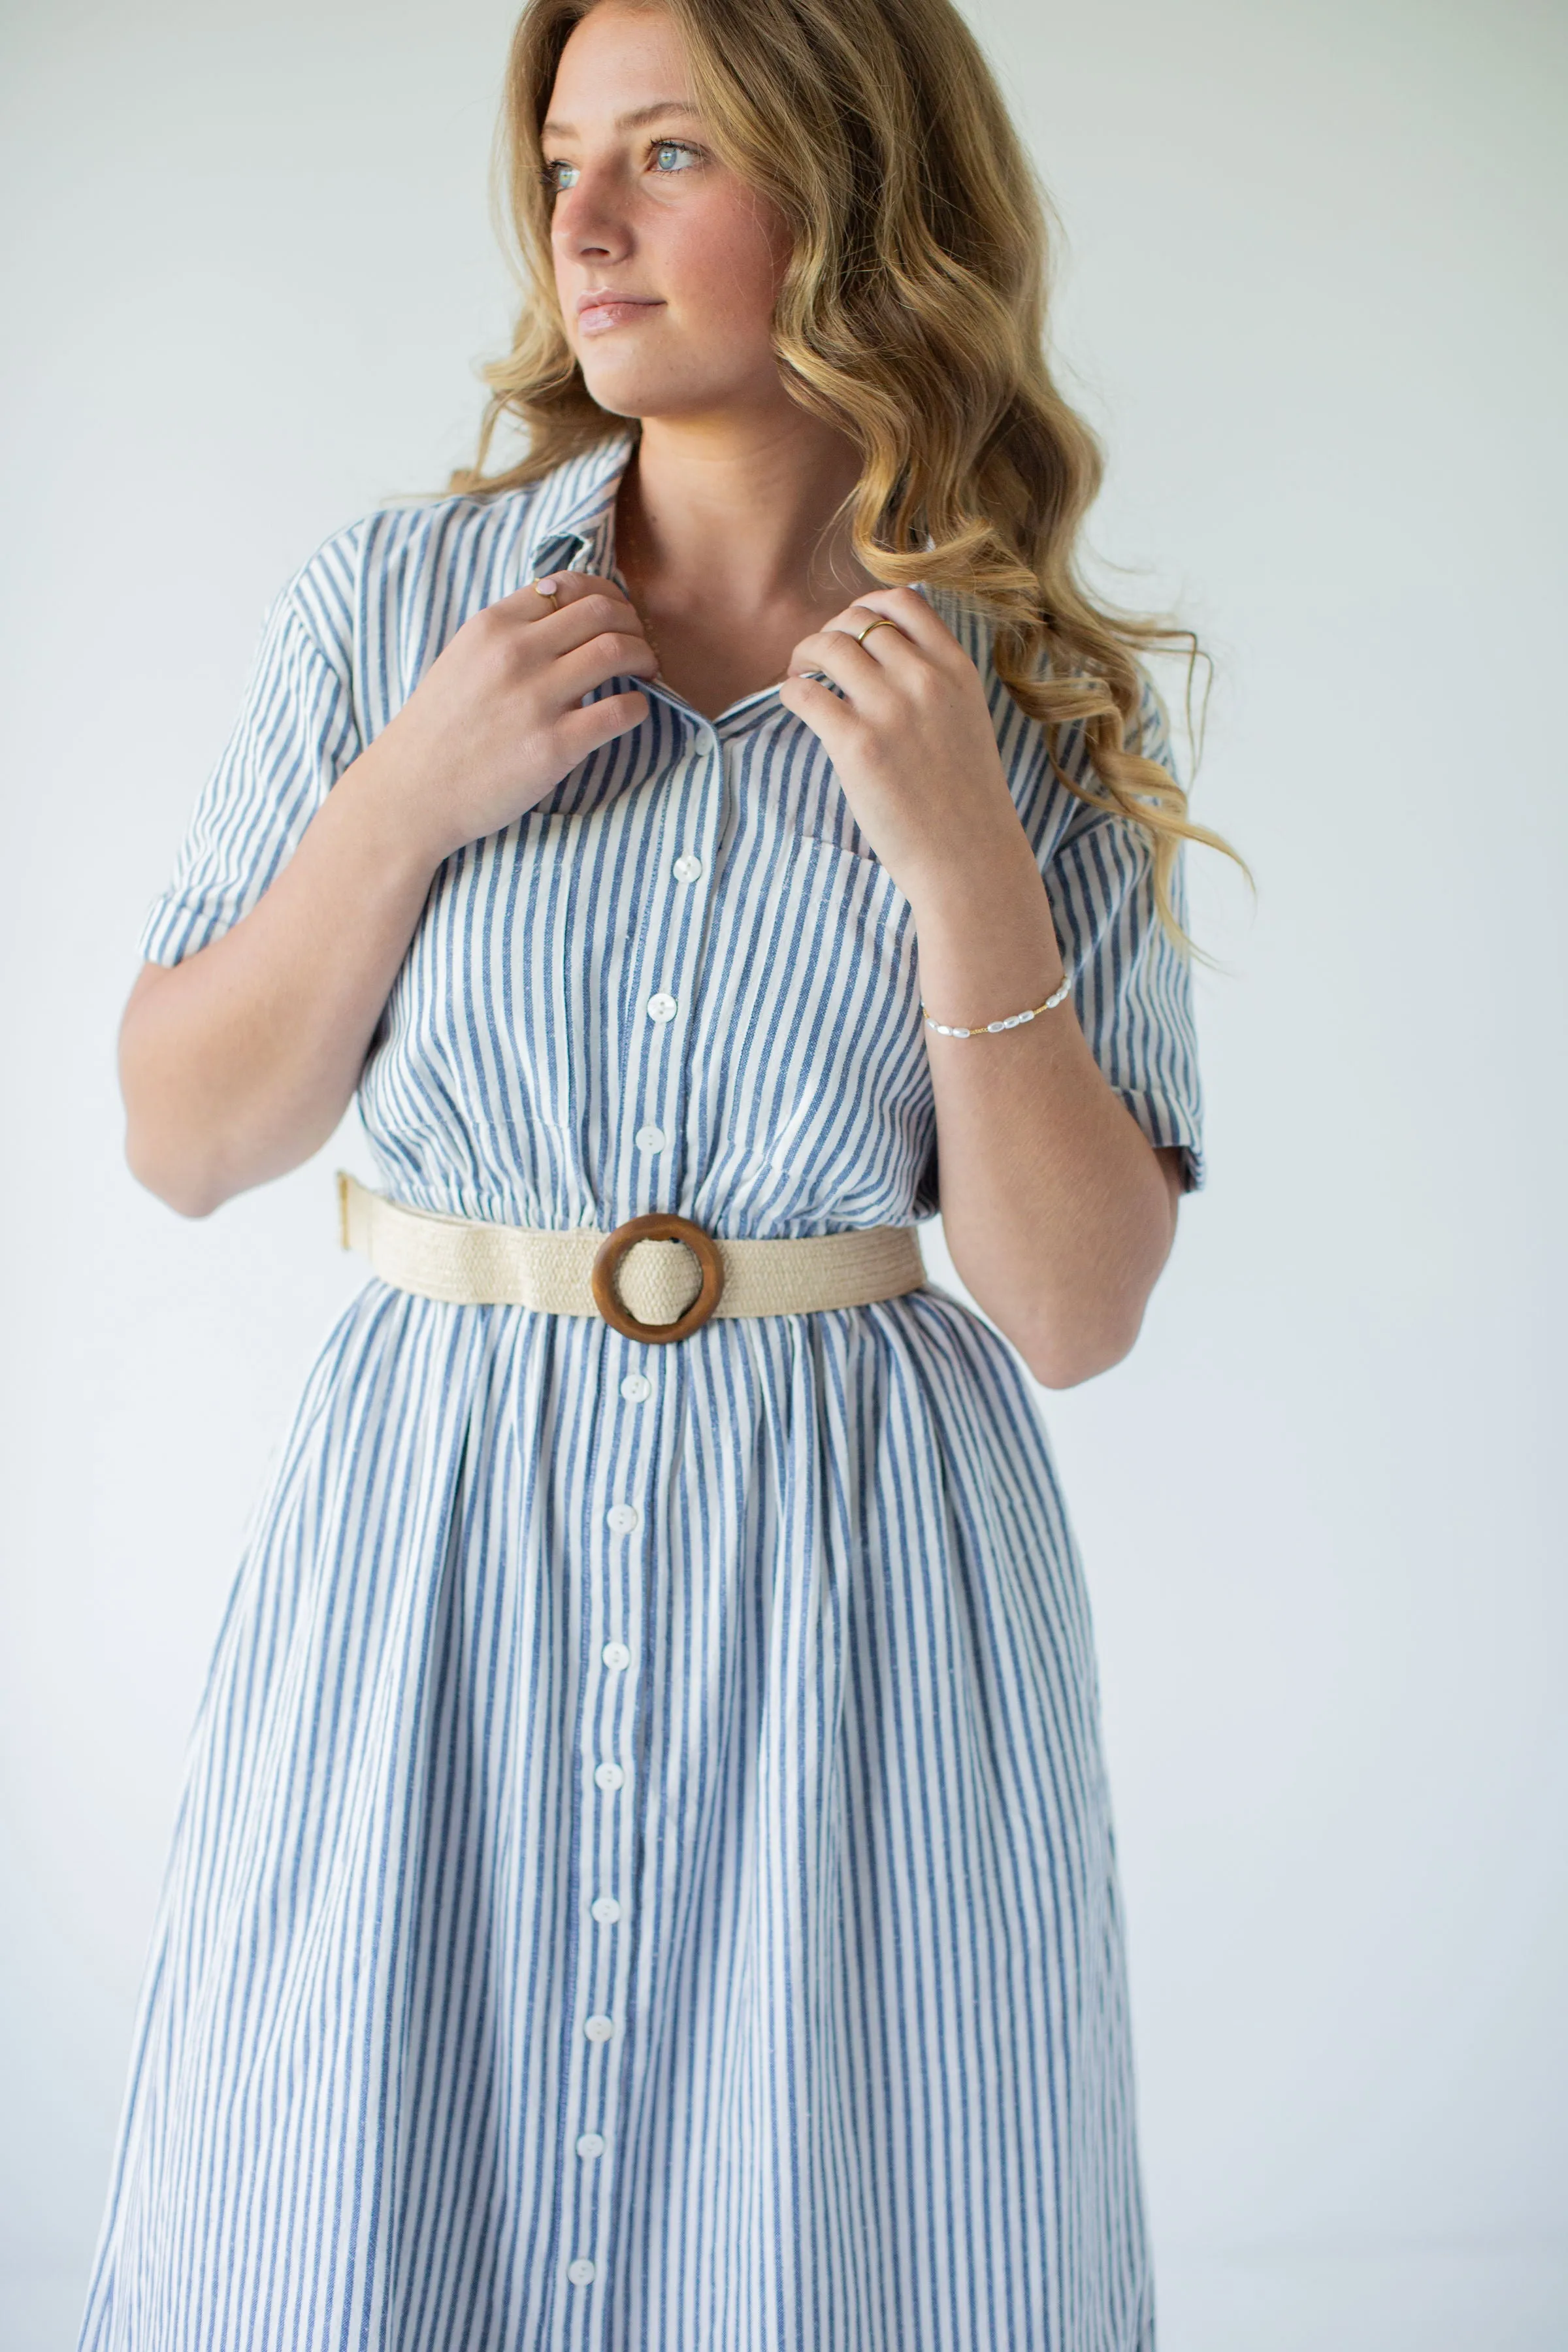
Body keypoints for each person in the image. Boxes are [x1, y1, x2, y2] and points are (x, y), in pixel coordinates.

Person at [78, 0, 1246, 2344]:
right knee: (349, 2226)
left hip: (860, 1597)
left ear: (855, 198)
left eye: (671, 154)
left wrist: (964, 873)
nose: (579, 225)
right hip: (435, 1551)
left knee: (870, 2238)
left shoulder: (1027, 694)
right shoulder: (396, 618)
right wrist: (401, 804)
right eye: (561, 156)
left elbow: (1075, 1308)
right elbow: (185, 1133)